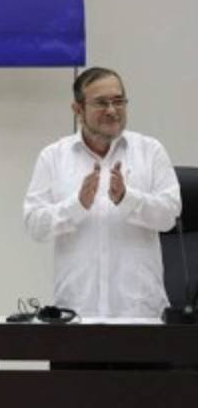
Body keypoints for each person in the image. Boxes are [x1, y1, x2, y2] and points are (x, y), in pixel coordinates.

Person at [24, 67, 181, 319]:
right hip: (77, 314)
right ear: (77, 110)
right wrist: (77, 205)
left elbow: (169, 216)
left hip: (140, 314)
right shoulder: (53, 157)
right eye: (101, 103)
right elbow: (35, 226)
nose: (112, 110)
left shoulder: (150, 151)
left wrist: (127, 199)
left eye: (118, 101)